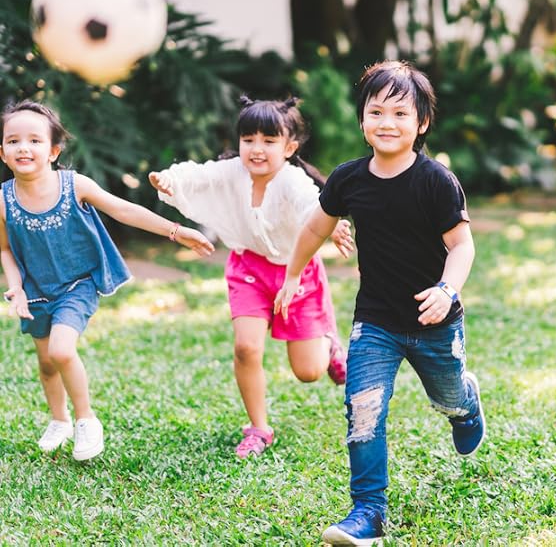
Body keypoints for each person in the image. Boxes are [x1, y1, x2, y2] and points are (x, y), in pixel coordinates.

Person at [274, 60, 485, 545]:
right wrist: (291, 276)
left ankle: (465, 405)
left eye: (400, 113)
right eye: (376, 112)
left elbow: (462, 246)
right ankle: (367, 512)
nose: (387, 123)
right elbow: (314, 229)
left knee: (447, 397)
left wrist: (447, 290)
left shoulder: (436, 181)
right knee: (362, 407)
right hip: (376, 322)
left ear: (421, 122)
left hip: (435, 322)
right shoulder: (348, 180)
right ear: (362, 120)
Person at [0, 100, 215, 461]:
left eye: (35, 140)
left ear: (53, 151)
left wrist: (175, 231)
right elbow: (4, 249)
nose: (24, 147)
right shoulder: (4, 200)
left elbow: (123, 209)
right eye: (13, 140)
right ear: (2, 152)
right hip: (35, 291)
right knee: (47, 365)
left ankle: (86, 421)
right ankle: (60, 420)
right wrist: (17, 286)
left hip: (77, 284)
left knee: (61, 350)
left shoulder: (74, 184)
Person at [149, 96, 352, 458]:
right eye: (249, 140)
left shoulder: (291, 180)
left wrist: (331, 227)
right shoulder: (232, 173)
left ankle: (330, 344)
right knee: (246, 348)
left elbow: (313, 206)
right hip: (248, 270)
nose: (257, 149)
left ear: (289, 147)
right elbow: (198, 174)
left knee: (308, 372)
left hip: (296, 271)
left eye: (269, 141)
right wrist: (169, 180)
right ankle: (259, 427)